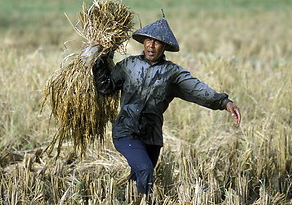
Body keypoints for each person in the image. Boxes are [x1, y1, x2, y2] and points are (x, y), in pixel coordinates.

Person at [93, 18, 241, 196]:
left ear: (164, 47)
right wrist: (101, 57)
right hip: (126, 132)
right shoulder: (128, 66)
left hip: (152, 137)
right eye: (148, 40)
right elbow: (105, 86)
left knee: (137, 181)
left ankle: (128, 199)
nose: (151, 45)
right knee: (145, 170)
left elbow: (197, 89)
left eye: (157, 42)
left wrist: (224, 102)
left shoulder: (173, 73)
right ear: (143, 42)